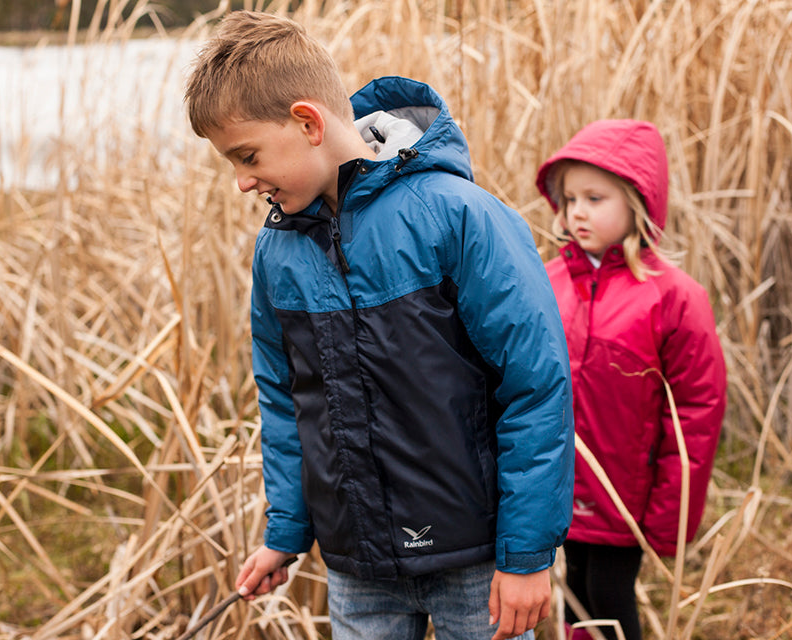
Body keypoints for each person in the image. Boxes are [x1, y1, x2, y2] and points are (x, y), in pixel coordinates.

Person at [183, 10, 574, 640]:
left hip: (476, 560)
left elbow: (534, 386)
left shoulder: (456, 216)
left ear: (309, 123)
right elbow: (285, 399)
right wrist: (287, 530)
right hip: (358, 565)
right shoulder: (277, 253)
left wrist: (526, 554)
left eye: (247, 156)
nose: (241, 182)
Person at [535, 119, 727, 640]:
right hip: (562, 488)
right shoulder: (548, 282)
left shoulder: (673, 297)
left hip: (626, 500)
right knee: (575, 590)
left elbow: (695, 413)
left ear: (637, 203)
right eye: (570, 198)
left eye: (595, 198)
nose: (577, 211)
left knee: (609, 595)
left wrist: (669, 516)